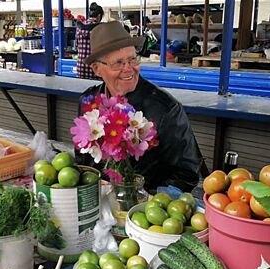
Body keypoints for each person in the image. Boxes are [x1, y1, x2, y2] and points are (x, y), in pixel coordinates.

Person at [79, 21, 203, 193]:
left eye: (132, 59)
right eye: (118, 63)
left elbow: (187, 174)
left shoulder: (165, 109)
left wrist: (147, 200)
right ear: (96, 69)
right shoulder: (89, 101)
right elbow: (83, 158)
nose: (128, 69)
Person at [76, 2, 104, 79]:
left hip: (81, 68)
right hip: (95, 70)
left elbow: (77, 44)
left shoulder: (79, 27)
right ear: (99, 16)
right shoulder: (100, 28)